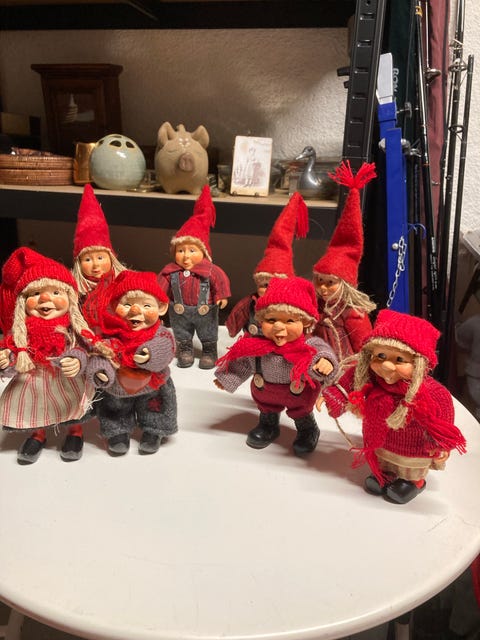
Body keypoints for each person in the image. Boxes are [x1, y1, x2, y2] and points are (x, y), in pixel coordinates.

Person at [321, 309, 467, 504]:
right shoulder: (370, 378)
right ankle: (385, 475)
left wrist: (441, 445)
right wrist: (334, 396)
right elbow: (348, 384)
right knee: (384, 462)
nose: (386, 366)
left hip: (414, 447)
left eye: (399, 360)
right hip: (380, 440)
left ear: (418, 363)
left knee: (409, 468)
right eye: (380, 356)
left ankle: (414, 482)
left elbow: (443, 421)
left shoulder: (432, 393)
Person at [0, 247, 113, 464]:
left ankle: (75, 433)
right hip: (35, 379)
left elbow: (83, 348)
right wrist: (8, 359)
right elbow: (16, 351)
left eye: (55, 292)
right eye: (35, 294)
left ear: (70, 298)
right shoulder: (22, 331)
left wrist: (77, 360)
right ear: (23, 302)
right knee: (37, 406)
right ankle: (38, 435)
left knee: (72, 404)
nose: (45, 298)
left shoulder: (73, 328)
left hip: (66, 377)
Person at [215, 276, 338, 456]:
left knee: (301, 413)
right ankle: (268, 426)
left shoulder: (307, 345)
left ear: (305, 322)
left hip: (298, 394)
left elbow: (321, 350)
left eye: (289, 321)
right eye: (271, 320)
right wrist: (228, 378)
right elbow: (243, 362)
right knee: (267, 411)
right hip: (266, 392)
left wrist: (325, 361)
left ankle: (307, 430)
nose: (279, 327)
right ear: (261, 320)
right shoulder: (256, 346)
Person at [86, 269, 178, 456]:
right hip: (118, 386)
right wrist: (100, 371)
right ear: (114, 306)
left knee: (156, 406)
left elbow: (167, 347)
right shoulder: (111, 334)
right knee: (114, 407)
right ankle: (117, 432)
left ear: (161, 308)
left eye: (146, 305)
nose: (135, 311)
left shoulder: (160, 333)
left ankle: (153, 430)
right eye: (127, 304)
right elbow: (101, 353)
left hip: (154, 386)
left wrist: (151, 354)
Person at [157, 185, 231, 369]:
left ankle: (209, 351)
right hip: (179, 312)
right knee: (182, 332)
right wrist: (159, 298)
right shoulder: (170, 271)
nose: (186, 256)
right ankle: (185, 350)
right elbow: (160, 287)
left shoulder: (211, 270)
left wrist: (221, 296)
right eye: (181, 250)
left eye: (192, 250)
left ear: (203, 253)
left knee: (208, 332)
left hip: (205, 311)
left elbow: (220, 281)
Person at [312, 161, 376, 360]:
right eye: (319, 280)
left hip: (342, 365)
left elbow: (364, 347)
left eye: (330, 282)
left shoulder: (353, 315)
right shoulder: (316, 305)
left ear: (345, 284)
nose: (323, 288)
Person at [225, 191, 309, 338]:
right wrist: (232, 329)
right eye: (264, 285)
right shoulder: (250, 304)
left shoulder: (291, 306)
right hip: (253, 342)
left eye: (276, 285)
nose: (270, 290)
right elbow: (238, 314)